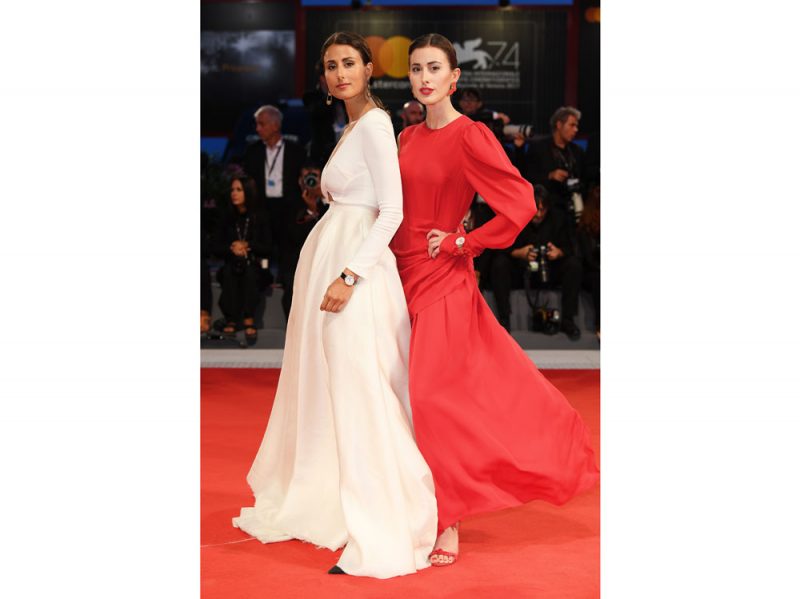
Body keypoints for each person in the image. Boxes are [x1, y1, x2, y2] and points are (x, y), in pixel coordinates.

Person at [233, 31, 437, 579]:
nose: (340, 72)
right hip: (332, 265)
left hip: (356, 275)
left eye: (350, 63)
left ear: (370, 68)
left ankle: (382, 524)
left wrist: (350, 274)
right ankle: (335, 499)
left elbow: (390, 211)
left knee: (361, 389)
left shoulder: (374, 124)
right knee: (330, 389)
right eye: (330, 65)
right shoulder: (351, 126)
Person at [390, 33, 599, 567]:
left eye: (435, 68)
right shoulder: (407, 138)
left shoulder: (470, 135)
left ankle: (449, 517)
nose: (424, 77)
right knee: (404, 399)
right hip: (399, 274)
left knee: (434, 399)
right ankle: (410, 503)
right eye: (416, 69)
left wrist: (466, 241)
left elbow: (521, 202)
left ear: (455, 78)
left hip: (444, 278)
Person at [242, 105, 306, 302]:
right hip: (262, 205)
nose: (257, 128)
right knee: (264, 242)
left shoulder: (295, 150)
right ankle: (263, 278)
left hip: (288, 206)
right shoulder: (253, 151)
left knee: (288, 245)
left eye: (261, 124)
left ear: (275, 125)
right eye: (257, 124)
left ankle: (286, 280)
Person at [504, 185, 583, 340]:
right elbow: (500, 248)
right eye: (536, 210)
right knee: (500, 264)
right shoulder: (515, 218)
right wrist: (520, 253)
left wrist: (559, 252)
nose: (539, 214)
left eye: (543, 210)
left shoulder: (559, 219)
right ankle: (504, 320)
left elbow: (572, 248)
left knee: (573, 265)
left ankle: (568, 319)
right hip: (522, 271)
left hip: (551, 269)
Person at [212, 175, 272, 345]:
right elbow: (214, 247)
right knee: (230, 272)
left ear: (248, 192)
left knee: (250, 273)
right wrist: (232, 247)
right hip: (232, 264)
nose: (234, 193)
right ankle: (230, 319)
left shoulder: (260, 216)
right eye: (232, 190)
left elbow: (268, 247)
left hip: (255, 264)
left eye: (238, 190)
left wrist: (248, 245)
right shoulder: (226, 217)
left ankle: (248, 318)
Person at [514, 106, 586, 220]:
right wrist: (550, 176)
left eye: (576, 126)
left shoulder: (577, 151)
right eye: (572, 125)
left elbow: (584, 178)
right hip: (547, 213)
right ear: (559, 125)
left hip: (573, 211)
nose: (576, 130)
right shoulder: (538, 148)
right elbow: (526, 177)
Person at [576, 183, 600, 339]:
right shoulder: (586, 227)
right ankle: (601, 325)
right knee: (600, 280)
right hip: (591, 272)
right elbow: (589, 260)